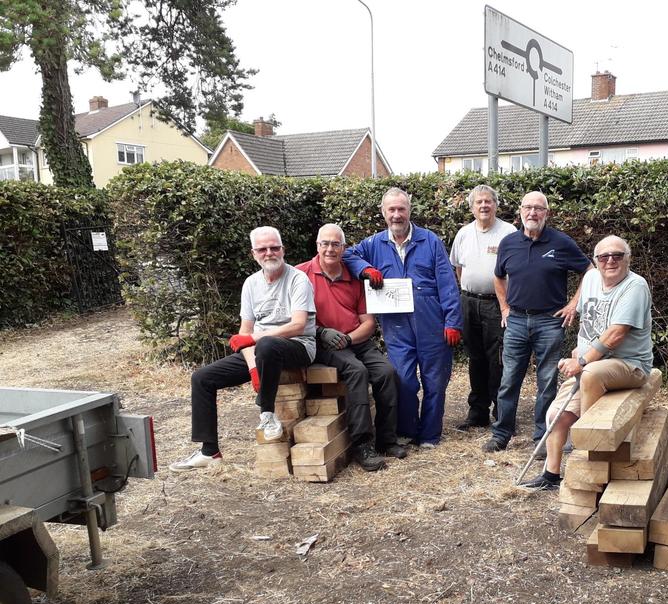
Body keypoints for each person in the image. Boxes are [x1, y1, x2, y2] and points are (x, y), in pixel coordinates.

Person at [171, 226, 316, 471]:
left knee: (268, 344)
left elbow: (298, 325)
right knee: (202, 378)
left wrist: (256, 339)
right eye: (262, 249)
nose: (269, 253)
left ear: (283, 250)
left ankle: (267, 414)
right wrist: (252, 368)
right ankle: (209, 451)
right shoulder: (250, 284)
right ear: (254, 254)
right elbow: (244, 332)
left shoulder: (297, 279)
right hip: (261, 351)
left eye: (274, 248)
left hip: (298, 347)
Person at [521, 236, 653, 490]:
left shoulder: (635, 286)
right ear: (596, 261)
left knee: (591, 373)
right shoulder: (591, 279)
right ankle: (550, 474)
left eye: (617, 255)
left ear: (628, 259)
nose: (610, 261)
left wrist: (583, 359)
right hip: (593, 365)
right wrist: (579, 350)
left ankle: (588, 452)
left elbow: (616, 333)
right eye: (603, 257)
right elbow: (589, 323)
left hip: (629, 364)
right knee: (554, 416)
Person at [343, 188, 462, 447]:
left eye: (401, 209)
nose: (397, 215)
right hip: (396, 324)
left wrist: (453, 321)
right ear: (383, 212)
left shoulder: (429, 241)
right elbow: (347, 255)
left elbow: (447, 283)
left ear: (409, 210)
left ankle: (430, 434)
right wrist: (366, 268)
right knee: (405, 379)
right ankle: (408, 430)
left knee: (435, 381)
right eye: (391, 210)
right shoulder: (374, 244)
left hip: (432, 322)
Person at [483, 191, 593, 453]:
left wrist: (573, 304)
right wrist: (504, 307)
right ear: (520, 211)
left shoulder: (561, 242)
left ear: (547, 213)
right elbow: (498, 277)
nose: (532, 213)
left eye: (538, 208)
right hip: (517, 321)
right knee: (509, 379)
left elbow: (589, 272)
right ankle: (501, 434)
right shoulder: (508, 243)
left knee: (547, 381)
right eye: (528, 208)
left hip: (549, 322)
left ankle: (542, 436)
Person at [296, 224, 407, 472]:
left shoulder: (355, 278)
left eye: (335, 244)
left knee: (387, 373)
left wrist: (349, 339)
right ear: (317, 246)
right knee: (357, 372)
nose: (329, 249)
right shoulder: (300, 275)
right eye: (324, 243)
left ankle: (386, 439)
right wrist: (321, 332)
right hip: (324, 342)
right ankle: (362, 444)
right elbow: (292, 319)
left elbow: (368, 323)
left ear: (344, 248)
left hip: (355, 340)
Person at [449, 184, 516, 431]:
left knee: (498, 359)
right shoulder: (464, 233)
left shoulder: (508, 232)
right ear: (472, 207)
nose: (484, 206)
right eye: (479, 202)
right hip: (469, 302)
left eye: (488, 201)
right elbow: (458, 267)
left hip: (497, 305)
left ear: (496, 205)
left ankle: (502, 413)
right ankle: (477, 412)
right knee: (475, 358)